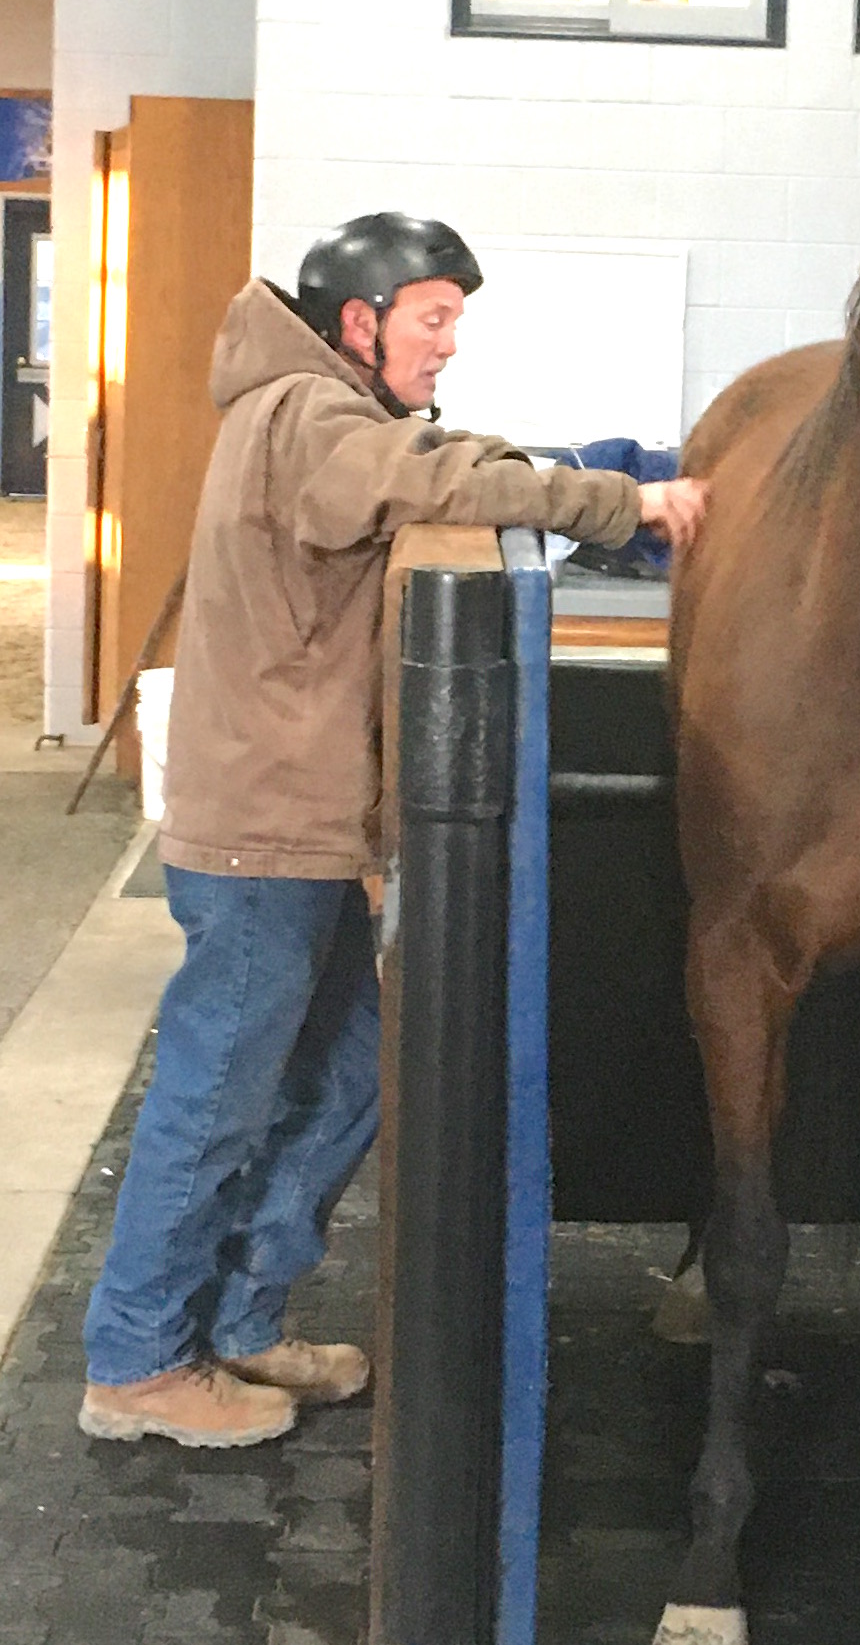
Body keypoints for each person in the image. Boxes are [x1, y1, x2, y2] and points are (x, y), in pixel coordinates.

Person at [78, 213, 708, 1449]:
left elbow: (438, 450)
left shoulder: (329, 414)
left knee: (349, 1062)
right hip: (265, 833)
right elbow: (437, 477)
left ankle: (245, 1319)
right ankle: (138, 1358)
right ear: (358, 323)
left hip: (310, 828)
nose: (450, 345)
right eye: (434, 319)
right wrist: (625, 500)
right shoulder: (306, 419)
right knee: (217, 1096)